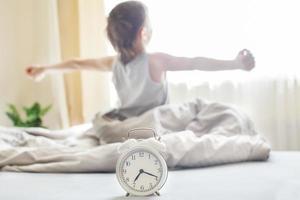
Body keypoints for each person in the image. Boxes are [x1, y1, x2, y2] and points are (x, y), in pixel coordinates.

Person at [26, 1, 255, 121]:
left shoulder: (112, 63)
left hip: (124, 123)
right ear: (143, 32)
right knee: (220, 114)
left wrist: (43, 69)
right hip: (153, 124)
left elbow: (76, 63)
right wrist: (235, 63)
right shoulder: (156, 61)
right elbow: (196, 62)